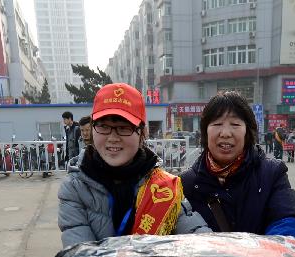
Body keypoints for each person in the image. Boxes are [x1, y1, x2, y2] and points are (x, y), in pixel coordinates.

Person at [57, 83, 209, 246]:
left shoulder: (163, 187)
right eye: (104, 126)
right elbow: (80, 255)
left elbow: (197, 236)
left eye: (124, 128)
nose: (113, 137)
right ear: (92, 129)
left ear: (142, 133)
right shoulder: (75, 188)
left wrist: (217, 252)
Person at [180, 91, 295, 238]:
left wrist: (269, 253)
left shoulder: (271, 173)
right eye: (217, 124)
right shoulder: (186, 184)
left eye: (235, 124)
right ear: (205, 132)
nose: (225, 133)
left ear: (247, 131)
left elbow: (287, 223)